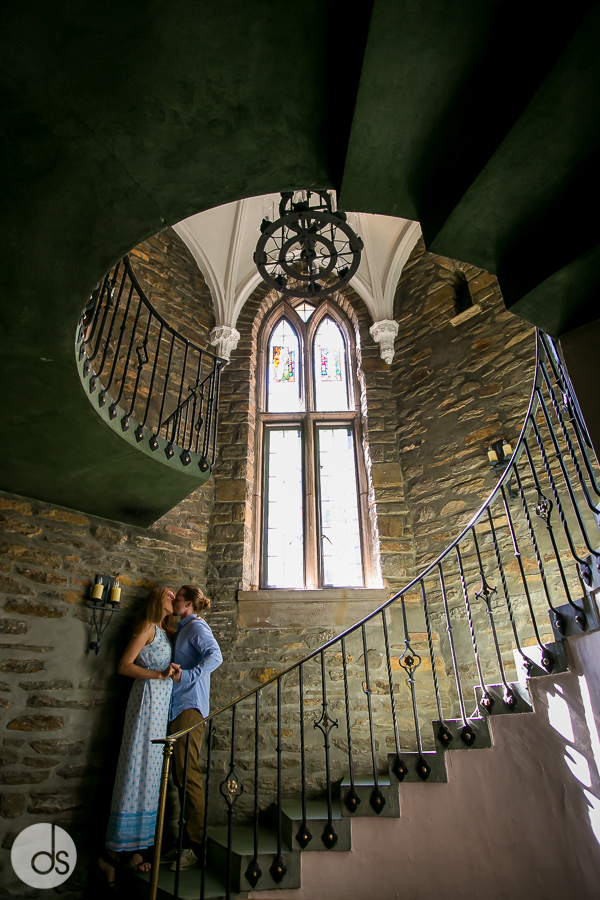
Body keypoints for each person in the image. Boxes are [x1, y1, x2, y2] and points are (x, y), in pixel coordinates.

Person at [98, 587, 180, 888]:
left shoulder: (165, 631)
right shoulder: (147, 626)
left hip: (160, 707)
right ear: (157, 599)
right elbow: (124, 665)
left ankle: (133, 851)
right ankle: (110, 855)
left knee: (150, 773)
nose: (174, 598)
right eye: (169, 594)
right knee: (135, 768)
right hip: (146, 703)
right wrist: (159, 675)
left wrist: (170, 672)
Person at [164, 585, 223, 871]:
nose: (174, 601)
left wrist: (188, 675)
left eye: (177, 598)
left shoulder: (197, 627)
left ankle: (195, 847)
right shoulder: (183, 629)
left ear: (188, 604)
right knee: (179, 774)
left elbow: (216, 656)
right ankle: (183, 841)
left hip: (190, 707)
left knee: (188, 774)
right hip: (178, 707)